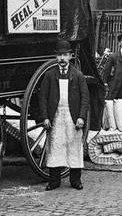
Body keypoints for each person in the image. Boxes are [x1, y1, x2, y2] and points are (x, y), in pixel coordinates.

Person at [31, 38, 88, 191]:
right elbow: (42, 97)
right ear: (56, 57)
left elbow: (85, 98)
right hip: (55, 115)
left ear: (70, 56)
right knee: (55, 146)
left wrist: (81, 117)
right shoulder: (49, 75)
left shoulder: (78, 75)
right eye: (59, 55)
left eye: (65, 55)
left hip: (72, 115)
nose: (62, 58)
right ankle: (54, 181)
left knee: (74, 146)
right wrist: (45, 117)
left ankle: (75, 180)